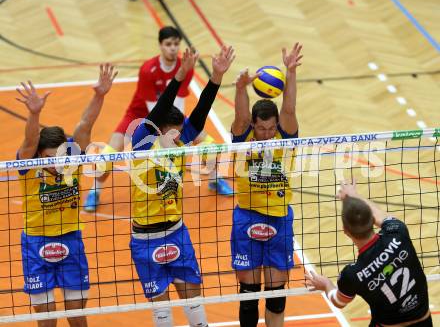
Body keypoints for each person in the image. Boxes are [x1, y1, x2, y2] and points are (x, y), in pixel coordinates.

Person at [129, 46, 235, 327]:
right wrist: (179, 75)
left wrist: (216, 77)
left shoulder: (176, 143)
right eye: (173, 134)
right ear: (159, 129)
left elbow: (200, 113)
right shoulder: (143, 141)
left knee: (194, 303)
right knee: (162, 314)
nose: (180, 140)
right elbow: (160, 108)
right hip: (145, 239)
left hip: (176, 232)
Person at [84, 26, 232, 212]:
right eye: (168, 44)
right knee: (108, 154)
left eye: (176, 44)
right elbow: (155, 111)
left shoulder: (185, 65)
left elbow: (178, 105)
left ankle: (214, 179)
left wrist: (183, 131)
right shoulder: (148, 70)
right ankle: (95, 190)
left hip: (172, 116)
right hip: (140, 115)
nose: (172, 48)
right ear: (160, 45)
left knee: (209, 146)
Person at [15, 64, 118, 327]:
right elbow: (28, 141)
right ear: (39, 154)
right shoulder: (28, 165)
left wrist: (100, 95)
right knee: (47, 320)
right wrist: (34, 113)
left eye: (59, 157)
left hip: (71, 240)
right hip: (36, 245)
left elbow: (85, 125)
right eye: (49, 158)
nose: (55, 163)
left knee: (76, 316)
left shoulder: (72, 160)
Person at [230, 43, 303, 327]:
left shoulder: (285, 137)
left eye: (271, 128)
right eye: (261, 128)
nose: (266, 133)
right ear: (253, 124)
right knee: (248, 295)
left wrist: (290, 71)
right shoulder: (243, 136)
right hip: (247, 216)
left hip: (280, 218)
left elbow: (290, 107)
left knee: (275, 296)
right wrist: (240, 88)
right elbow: (240, 116)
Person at [305, 180, 432, 327]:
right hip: (424, 322)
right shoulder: (398, 232)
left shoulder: (352, 274)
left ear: (345, 231)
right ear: (372, 220)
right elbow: (380, 216)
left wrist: (326, 284)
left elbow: (338, 301)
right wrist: (354, 195)